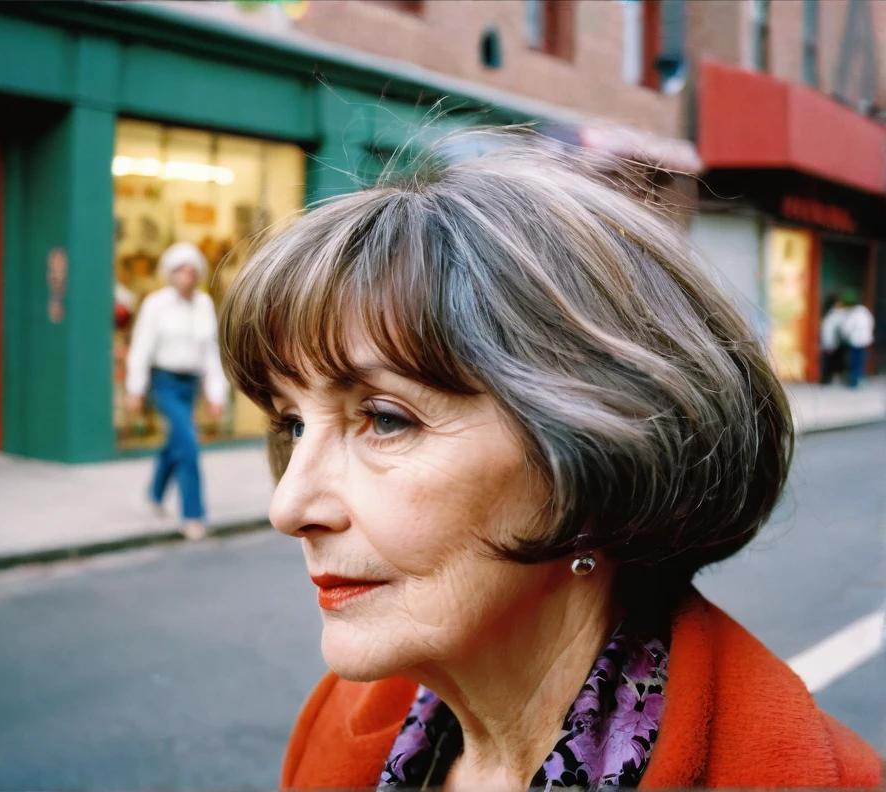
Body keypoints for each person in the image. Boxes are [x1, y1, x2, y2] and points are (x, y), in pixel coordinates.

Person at [218, 131, 881, 788]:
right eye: (293, 422)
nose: (289, 507)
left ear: (594, 456)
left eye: (386, 419)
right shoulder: (340, 729)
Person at [126, 241, 227, 540]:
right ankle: (193, 516)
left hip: (190, 384)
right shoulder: (156, 304)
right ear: (170, 273)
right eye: (181, 270)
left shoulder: (204, 305)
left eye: (192, 270)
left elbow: (211, 352)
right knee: (189, 445)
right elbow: (141, 347)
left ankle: (155, 494)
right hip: (165, 382)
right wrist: (135, 388)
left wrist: (216, 393)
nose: (187, 276)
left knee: (177, 442)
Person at [839, 290, 875, 388]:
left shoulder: (852, 313)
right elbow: (871, 323)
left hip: (855, 342)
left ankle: (854, 381)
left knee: (854, 361)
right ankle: (857, 379)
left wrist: (844, 336)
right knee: (860, 361)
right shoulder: (863, 311)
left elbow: (846, 328)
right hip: (864, 341)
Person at [819, 293, 846, 384]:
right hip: (832, 344)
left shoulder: (832, 314)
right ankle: (826, 379)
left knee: (831, 363)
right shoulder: (834, 315)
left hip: (834, 343)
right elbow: (829, 331)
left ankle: (828, 379)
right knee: (829, 363)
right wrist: (829, 344)